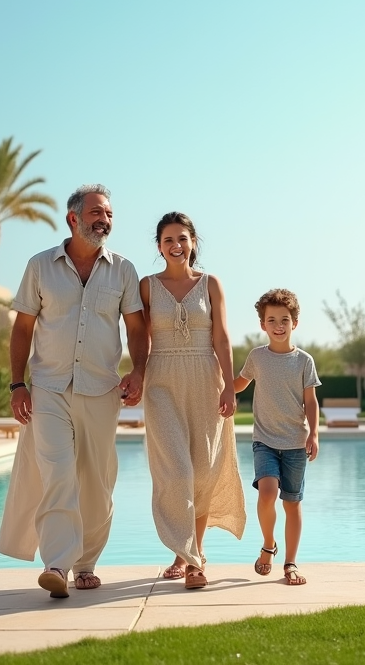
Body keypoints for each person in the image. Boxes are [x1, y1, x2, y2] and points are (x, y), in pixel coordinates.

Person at [0, 184, 148, 598]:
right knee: (58, 474)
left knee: (97, 483)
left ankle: (86, 563)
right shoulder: (40, 266)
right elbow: (22, 329)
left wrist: (139, 371)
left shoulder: (123, 270)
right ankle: (57, 565)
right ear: (73, 218)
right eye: (97, 212)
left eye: (110, 215)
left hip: (101, 389)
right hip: (48, 388)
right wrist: (17, 385)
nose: (105, 220)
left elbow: (136, 328)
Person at [141, 211, 246, 589]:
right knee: (178, 472)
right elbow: (139, 339)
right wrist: (136, 374)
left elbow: (222, 338)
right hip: (163, 382)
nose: (176, 245)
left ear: (193, 242)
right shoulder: (146, 287)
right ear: (159, 247)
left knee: (202, 472)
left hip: (206, 380)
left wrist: (229, 387)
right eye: (168, 239)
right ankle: (189, 556)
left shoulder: (211, 284)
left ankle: (192, 556)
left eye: (182, 238)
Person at [233, 288, 321, 586]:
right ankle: (269, 543)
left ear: (294, 322)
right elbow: (239, 385)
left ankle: (290, 563)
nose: (279, 325)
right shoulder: (257, 357)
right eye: (272, 320)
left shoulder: (304, 361)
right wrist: (214, 386)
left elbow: (311, 401)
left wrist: (314, 434)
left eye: (285, 319)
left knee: (292, 504)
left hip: (296, 443)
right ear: (263, 325)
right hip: (265, 441)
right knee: (267, 493)